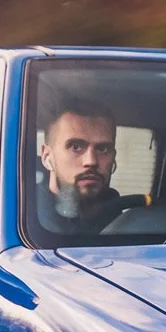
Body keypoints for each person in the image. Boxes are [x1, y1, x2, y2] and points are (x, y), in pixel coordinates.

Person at [37, 99, 124, 239]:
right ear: (47, 156)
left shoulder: (128, 224)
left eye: (102, 149)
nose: (91, 161)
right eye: (75, 147)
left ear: (113, 156)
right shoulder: (23, 222)